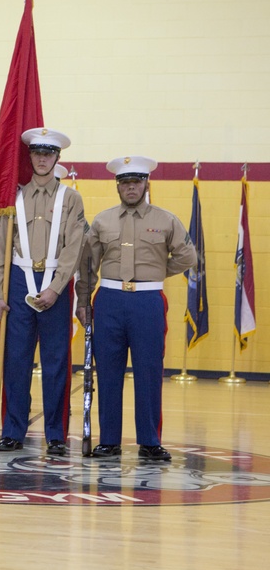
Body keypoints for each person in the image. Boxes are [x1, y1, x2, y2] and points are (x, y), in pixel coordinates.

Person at [77, 156, 196, 461]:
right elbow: (88, 264)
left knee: (149, 371)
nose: (131, 188)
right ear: (117, 185)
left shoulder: (166, 220)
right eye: (125, 183)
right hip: (109, 301)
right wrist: (83, 300)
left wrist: (157, 271)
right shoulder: (103, 220)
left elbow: (187, 256)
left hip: (147, 302)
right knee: (108, 372)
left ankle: (150, 440)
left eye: (136, 182)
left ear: (146, 183)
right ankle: (110, 440)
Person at [0, 127, 87, 456]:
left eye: (48, 153)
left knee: (56, 362)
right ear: (29, 157)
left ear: (58, 157)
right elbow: (1, 247)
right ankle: (13, 430)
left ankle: (56, 434)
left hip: (55, 287)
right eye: (36, 153)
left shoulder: (70, 198)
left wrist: (57, 288)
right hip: (19, 283)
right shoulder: (13, 197)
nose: (42, 159)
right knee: (16, 361)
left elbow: (74, 248)